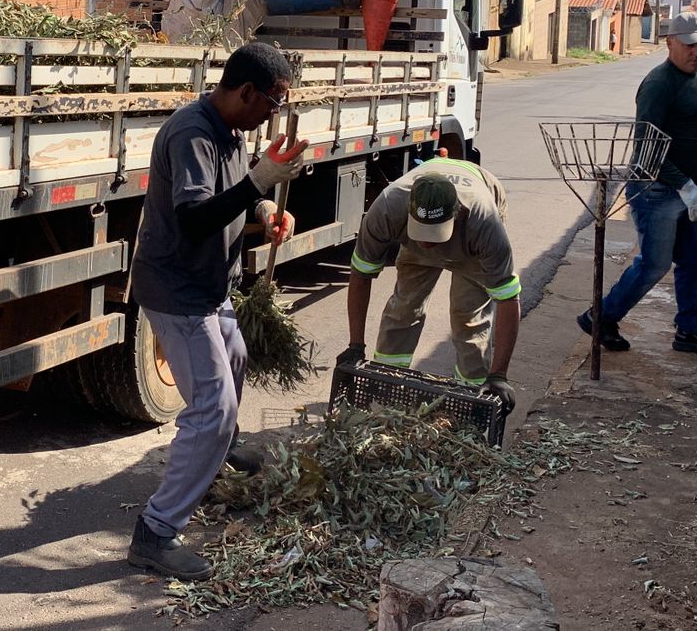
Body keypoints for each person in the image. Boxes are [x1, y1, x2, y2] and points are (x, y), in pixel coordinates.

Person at [125, 40, 308, 581]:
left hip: (210, 288)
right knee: (212, 406)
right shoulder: (192, 134)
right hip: (178, 293)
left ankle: (218, 454)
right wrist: (260, 180)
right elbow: (194, 219)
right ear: (247, 91)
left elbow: (237, 195)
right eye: (272, 103)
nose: (273, 114)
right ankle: (156, 532)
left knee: (236, 356)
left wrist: (265, 203)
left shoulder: (228, 131)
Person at [578, 11, 697, 356]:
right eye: (692, 45)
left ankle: (690, 330)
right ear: (670, 43)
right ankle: (601, 317)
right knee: (654, 263)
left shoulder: (696, 81)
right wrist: (685, 185)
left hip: (688, 188)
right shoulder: (658, 84)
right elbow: (646, 148)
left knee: (694, 260)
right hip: (656, 191)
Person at [337, 158, 522, 409]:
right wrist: (355, 346)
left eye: (434, 234)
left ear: (457, 214)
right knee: (403, 309)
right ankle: (387, 390)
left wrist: (499, 375)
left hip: (470, 244)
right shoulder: (388, 207)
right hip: (416, 231)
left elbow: (508, 298)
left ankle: (471, 401)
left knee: (469, 317)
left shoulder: (484, 222)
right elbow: (360, 273)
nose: (427, 244)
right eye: (422, 232)